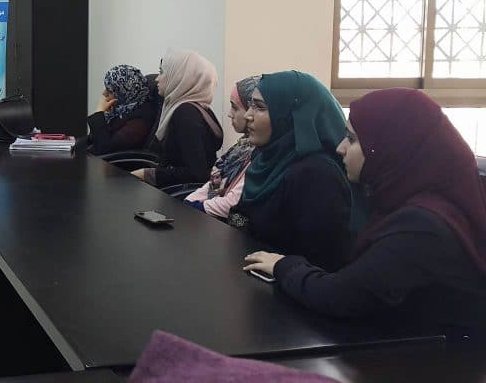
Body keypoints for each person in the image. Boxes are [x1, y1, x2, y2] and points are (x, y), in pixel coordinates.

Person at [244, 88, 486, 337]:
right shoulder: (402, 199)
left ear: (390, 148)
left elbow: (341, 297)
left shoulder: (423, 225)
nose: (340, 148)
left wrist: (284, 266)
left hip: (442, 355)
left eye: (351, 139)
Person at [229, 71, 354, 271]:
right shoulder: (265, 158)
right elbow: (243, 217)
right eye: (250, 105)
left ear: (291, 116)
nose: (248, 115)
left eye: (260, 107)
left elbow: (323, 264)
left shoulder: (317, 175)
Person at [132, 49, 222, 189]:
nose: (157, 79)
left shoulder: (185, 114)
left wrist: (147, 174)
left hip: (177, 197)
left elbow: (196, 175)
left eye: (162, 72)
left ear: (180, 78)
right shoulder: (198, 108)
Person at [183, 76, 259, 218]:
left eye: (235, 107)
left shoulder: (259, 154)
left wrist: (196, 206)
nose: (230, 114)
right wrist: (189, 201)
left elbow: (232, 203)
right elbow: (212, 184)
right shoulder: (242, 147)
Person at [86, 65, 158, 155]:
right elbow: (92, 139)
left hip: (112, 162)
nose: (104, 93)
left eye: (110, 90)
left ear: (124, 91)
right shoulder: (123, 110)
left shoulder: (139, 122)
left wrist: (99, 113)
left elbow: (104, 148)